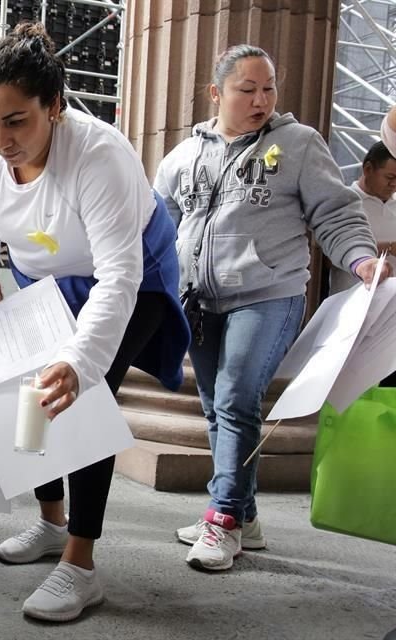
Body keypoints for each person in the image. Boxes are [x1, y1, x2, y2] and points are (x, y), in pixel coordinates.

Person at [0, 23, 189, 622]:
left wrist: (81, 360)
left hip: (132, 272)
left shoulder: (99, 153)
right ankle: (49, 522)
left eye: (17, 121)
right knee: (28, 391)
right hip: (53, 273)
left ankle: (80, 564)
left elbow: (119, 276)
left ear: (54, 107)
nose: (0, 139)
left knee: (83, 399)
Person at [155, 45, 388, 572]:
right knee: (218, 408)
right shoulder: (182, 156)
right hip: (200, 302)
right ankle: (246, 515)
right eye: (247, 89)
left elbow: (336, 213)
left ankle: (222, 519)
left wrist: (360, 261)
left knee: (237, 398)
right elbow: (158, 224)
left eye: (269, 87)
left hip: (270, 295)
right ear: (217, 94)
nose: (262, 99)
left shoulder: (299, 144)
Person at [329, 141, 396, 294]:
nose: (394, 184)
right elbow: (330, 254)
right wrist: (390, 247)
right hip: (352, 304)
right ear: (368, 169)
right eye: (390, 177)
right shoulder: (342, 202)